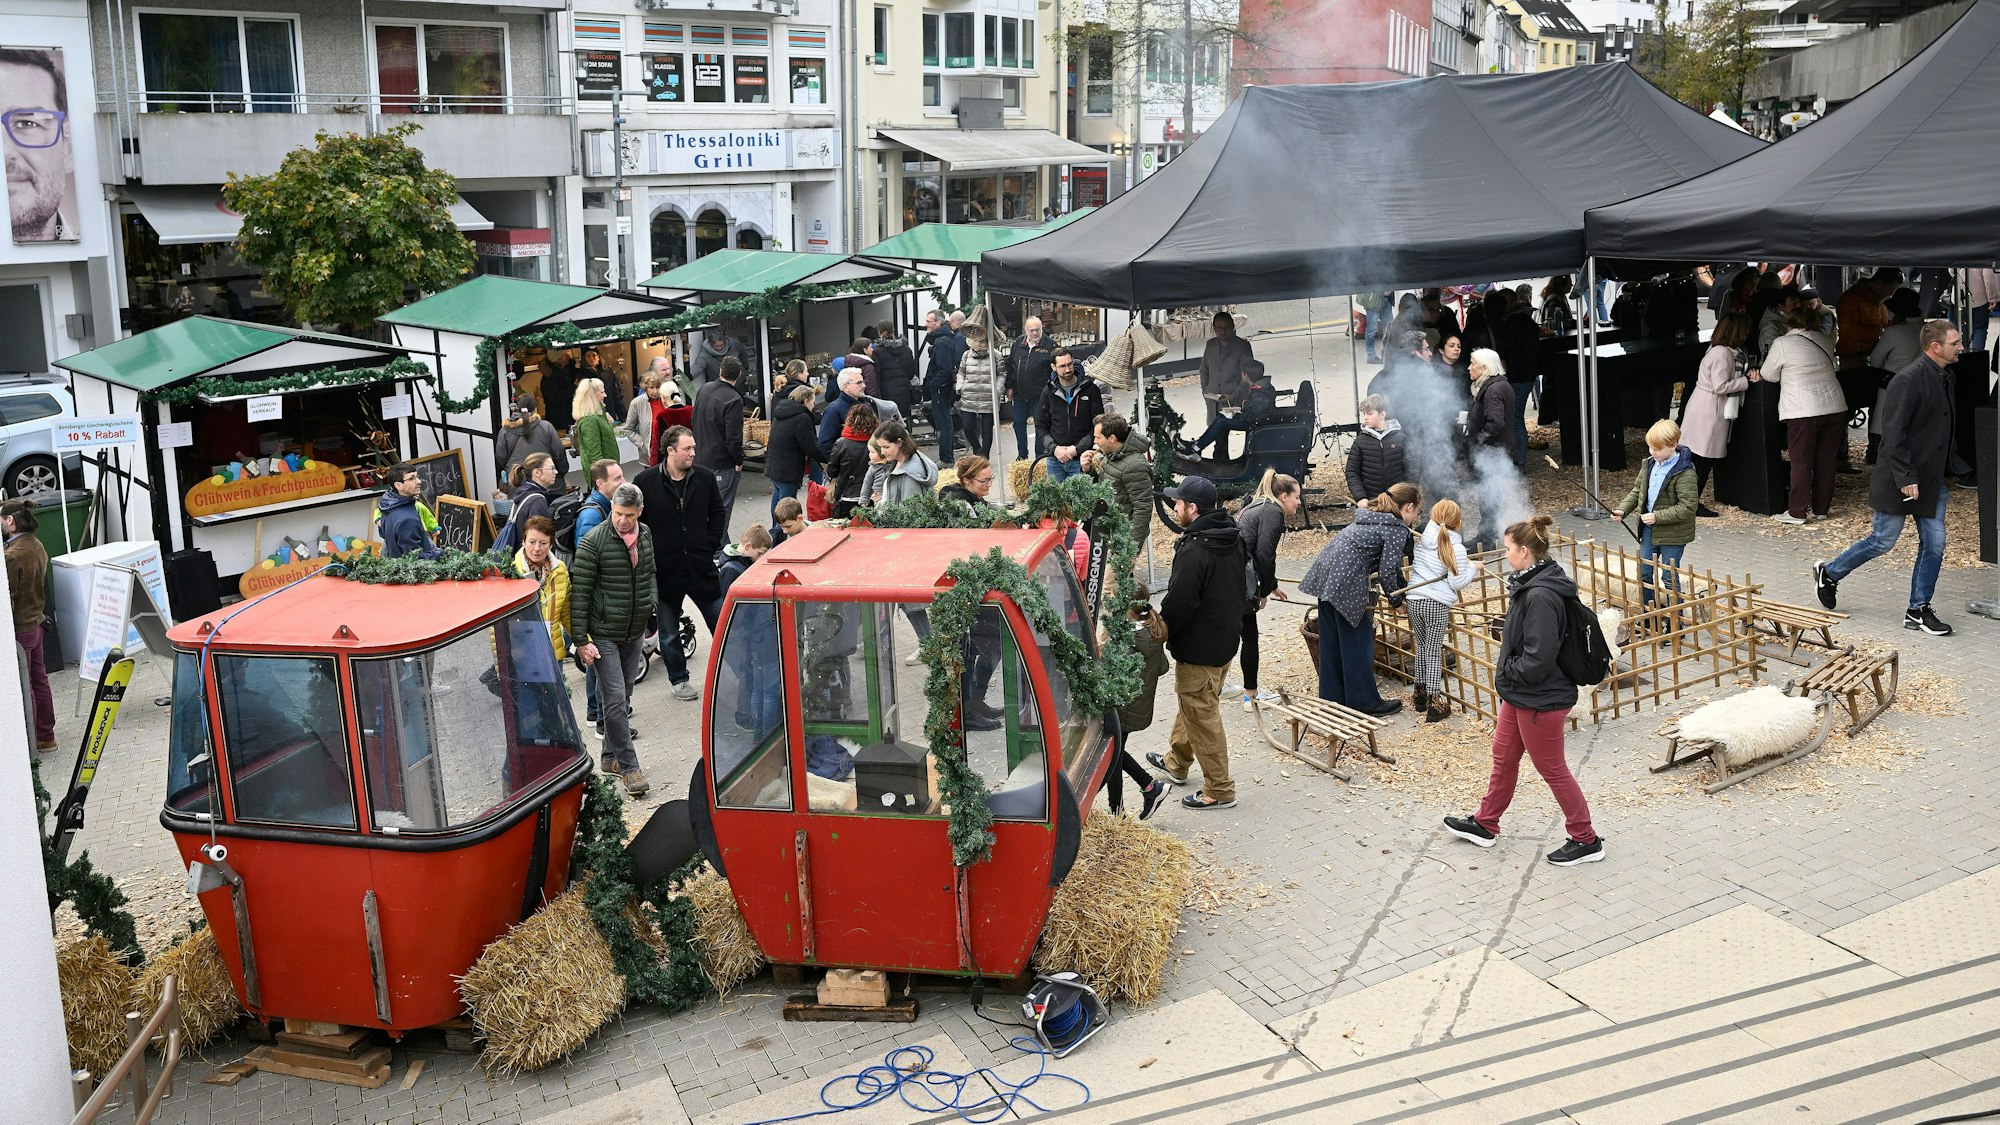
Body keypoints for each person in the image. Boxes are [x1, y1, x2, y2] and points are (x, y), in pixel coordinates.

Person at [1443, 514, 1603, 867]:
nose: (1506, 554)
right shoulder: (1532, 582)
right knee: (1503, 756)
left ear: (1526, 552)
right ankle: (1485, 823)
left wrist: (1509, 674)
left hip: (1540, 697)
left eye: (1509, 548)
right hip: (1523, 694)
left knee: (1552, 769)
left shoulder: (1542, 595)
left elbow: (1538, 657)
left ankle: (1585, 838)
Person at [1813, 321, 1970, 638]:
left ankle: (1918, 609)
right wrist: (1906, 475)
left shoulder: (1945, 376)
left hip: (1930, 479)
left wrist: (1956, 465)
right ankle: (1829, 573)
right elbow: (1893, 434)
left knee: (1935, 543)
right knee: (1883, 541)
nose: (1962, 347)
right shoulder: (1908, 380)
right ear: (1935, 347)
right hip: (1901, 478)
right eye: (1955, 342)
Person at [1148, 476, 1247, 811]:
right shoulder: (1231, 536)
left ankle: (1219, 790)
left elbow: (1179, 603)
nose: (1174, 508)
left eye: (1177, 503)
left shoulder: (1195, 549)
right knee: (1194, 706)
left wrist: (1161, 628)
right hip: (1224, 642)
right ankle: (1176, 764)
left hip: (1199, 649)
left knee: (1202, 717)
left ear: (1192, 508)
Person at [1298, 481, 1420, 717]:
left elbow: (1391, 568)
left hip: (1326, 578)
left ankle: (1333, 700)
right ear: (1409, 507)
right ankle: (1364, 702)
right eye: (1417, 511)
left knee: (1332, 643)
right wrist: (1397, 602)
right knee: (1357, 645)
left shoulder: (1371, 517)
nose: (1416, 517)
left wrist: (1402, 591)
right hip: (1347, 584)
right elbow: (1386, 571)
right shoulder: (1395, 528)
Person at [570, 482, 657, 797]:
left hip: (633, 631)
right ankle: (630, 768)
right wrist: (581, 640)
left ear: (639, 513)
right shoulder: (594, 542)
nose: (622, 520)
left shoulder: (644, 534)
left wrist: (652, 604)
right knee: (616, 700)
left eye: (629, 515)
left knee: (624, 695)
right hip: (604, 633)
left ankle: (609, 758)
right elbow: (579, 593)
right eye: (618, 514)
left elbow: (649, 574)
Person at [634, 426, 727, 701]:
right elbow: (639, 525)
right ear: (670, 450)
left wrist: (708, 543)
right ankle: (679, 680)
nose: (693, 453)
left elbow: (718, 513)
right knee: (670, 634)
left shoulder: (705, 478)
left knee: (721, 625)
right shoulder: (645, 481)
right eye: (687, 449)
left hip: (701, 567)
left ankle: (731, 672)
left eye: (694, 448)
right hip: (665, 572)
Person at [1759, 306, 1846, 525]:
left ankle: (1797, 511)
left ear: (1790, 323)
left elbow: (1768, 374)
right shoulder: (1824, 340)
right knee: (1826, 460)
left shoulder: (1782, 343)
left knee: (1801, 462)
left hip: (1803, 410)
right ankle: (1821, 509)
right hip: (1835, 406)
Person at [1612, 420, 1699, 612]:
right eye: (1650, 447)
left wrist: (1658, 516)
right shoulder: (1649, 465)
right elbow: (1637, 491)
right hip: (1650, 529)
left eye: (1657, 448)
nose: (1652, 452)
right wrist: (1623, 509)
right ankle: (1650, 610)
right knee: (1644, 571)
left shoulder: (1685, 472)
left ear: (1673, 445)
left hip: (1673, 534)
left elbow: (1688, 507)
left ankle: (1677, 617)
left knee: (1669, 576)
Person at [1407, 499, 1481, 723]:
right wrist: (1473, 569)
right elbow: (1457, 582)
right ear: (1457, 522)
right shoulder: (1455, 547)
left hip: (1415, 599)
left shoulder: (1424, 538)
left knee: (1422, 647)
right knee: (1432, 650)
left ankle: (1419, 694)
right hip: (1435, 602)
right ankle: (1434, 701)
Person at [1234, 470, 1298, 710]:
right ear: (1283, 496)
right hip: (1241, 579)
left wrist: (1272, 586)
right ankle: (1251, 695)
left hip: (1232, 574)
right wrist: (1261, 591)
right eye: (1296, 497)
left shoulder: (1258, 503)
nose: (1298, 503)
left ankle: (1222, 686)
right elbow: (1264, 555)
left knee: (1233, 632)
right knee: (1249, 636)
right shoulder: (1272, 511)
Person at [1680, 313, 1755, 516]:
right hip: (1710, 409)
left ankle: (1686, 500)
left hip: (1703, 405)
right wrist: (1747, 382)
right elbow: (1720, 386)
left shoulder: (1717, 349)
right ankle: (1691, 503)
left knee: (1696, 457)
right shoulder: (1723, 354)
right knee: (1703, 459)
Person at [1104, 587, 1170, 820]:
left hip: (1123, 708)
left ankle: (1150, 787)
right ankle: (1117, 812)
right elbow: (1163, 667)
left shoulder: (1128, 639)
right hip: (1139, 707)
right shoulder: (1151, 631)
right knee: (1116, 753)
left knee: (1114, 754)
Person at [572, 459, 624, 727]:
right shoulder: (592, 516)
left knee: (598, 657)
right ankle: (604, 720)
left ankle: (595, 712)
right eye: (617, 479)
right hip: (599, 600)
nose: (623, 482)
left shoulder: (606, 507)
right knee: (602, 658)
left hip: (603, 597)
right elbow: (589, 561)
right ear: (600, 483)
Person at [4, 499, 53, 749]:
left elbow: (8, 597)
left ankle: (30, 743)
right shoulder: (36, 544)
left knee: (26, 686)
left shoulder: (12, 556)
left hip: (21, 627)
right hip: (36, 621)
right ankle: (46, 735)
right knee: (39, 679)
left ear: (10, 521)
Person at [1177, 358, 1276, 460]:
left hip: (1256, 424)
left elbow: (1254, 415)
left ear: (1246, 375)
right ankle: (1197, 445)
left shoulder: (1260, 392)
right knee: (1221, 417)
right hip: (1254, 419)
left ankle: (1196, 449)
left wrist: (1237, 414)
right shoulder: (1260, 387)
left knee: (1222, 423)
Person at [1082, 413, 1153, 544]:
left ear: (1112, 438)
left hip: (1122, 538)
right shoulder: (1112, 455)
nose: (1095, 442)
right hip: (1108, 532)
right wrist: (1088, 470)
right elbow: (1102, 487)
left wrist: (1129, 550)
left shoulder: (1135, 466)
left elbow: (1143, 509)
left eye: (1098, 438)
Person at [1036, 348, 1103, 482]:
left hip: (1081, 459)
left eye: (1070, 364)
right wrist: (1054, 449)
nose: (1067, 369)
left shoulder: (1090, 390)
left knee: (1081, 500)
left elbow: (1098, 425)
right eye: (1062, 366)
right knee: (1056, 502)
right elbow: (1040, 426)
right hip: (1055, 460)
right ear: (1053, 367)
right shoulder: (1048, 392)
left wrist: (1077, 449)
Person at [693, 356, 746, 520]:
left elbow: (694, 420)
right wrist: (739, 460)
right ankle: (719, 545)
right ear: (738, 376)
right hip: (721, 464)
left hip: (700, 460)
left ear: (720, 371)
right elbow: (733, 438)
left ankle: (717, 543)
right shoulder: (734, 399)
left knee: (706, 509)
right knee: (720, 513)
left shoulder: (704, 389)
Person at [514, 515, 572, 666]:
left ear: (551, 544)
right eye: (532, 542)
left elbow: (567, 612)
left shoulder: (560, 570)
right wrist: (502, 661)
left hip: (552, 652)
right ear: (523, 541)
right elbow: (498, 627)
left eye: (543, 543)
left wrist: (584, 641)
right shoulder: (511, 573)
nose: (537, 548)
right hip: (522, 655)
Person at [1006, 316, 1058, 459]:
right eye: (1032, 330)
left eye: (1038, 330)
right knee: (1018, 423)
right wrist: (1009, 386)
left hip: (1040, 395)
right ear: (1026, 330)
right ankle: (1022, 455)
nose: (1035, 333)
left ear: (1042, 328)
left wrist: (1052, 391)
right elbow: (1010, 365)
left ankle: (1039, 455)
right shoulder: (1018, 343)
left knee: (1040, 425)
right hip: (1019, 393)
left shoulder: (1051, 345)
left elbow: (1056, 370)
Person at [1194, 311, 1254, 433]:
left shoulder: (1242, 346)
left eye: (1226, 328)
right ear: (1214, 328)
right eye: (1219, 328)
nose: (1223, 331)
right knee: (1216, 436)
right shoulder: (1210, 345)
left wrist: (1235, 394)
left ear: (1232, 326)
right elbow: (1204, 370)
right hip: (1213, 399)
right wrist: (1205, 390)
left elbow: (1248, 376)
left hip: (1234, 399)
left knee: (1228, 433)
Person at [494, 393, 568, 492]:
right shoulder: (546, 427)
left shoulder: (505, 431)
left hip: (517, 484)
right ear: (535, 410)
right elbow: (559, 454)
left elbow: (500, 458)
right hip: (547, 485)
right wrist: (557, 474)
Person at [767, 385, 822, 516]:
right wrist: (827, 459)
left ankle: (776, 532)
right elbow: (810, 448)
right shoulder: (802, 418)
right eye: (813, 402)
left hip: (775, 464)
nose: (814, 405)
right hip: (789, 468)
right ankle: (779, 532)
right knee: (787, 508)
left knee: (777, 501)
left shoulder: (782, 412)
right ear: (806, 400)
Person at [1345, 394, 1407, 508]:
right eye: (1364, 414)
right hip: (1371, 501)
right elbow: (1352, 471)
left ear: (1382, 414)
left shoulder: (1401, 438)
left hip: (1398, 501)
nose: (1365, 418)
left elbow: (1412, 469)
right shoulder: (1360, 441)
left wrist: (1407, 494)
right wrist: (1361, 497)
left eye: (1370, 413)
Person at [861, 420, 939, 507]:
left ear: (899, 442)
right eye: (880, 447)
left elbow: (910, 513)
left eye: (886, 447)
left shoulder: (910, 475)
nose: (882, 452)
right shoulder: (896, 461)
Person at [922, 310, 965, 465]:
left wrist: (933, 385)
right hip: (942, 388)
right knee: (945, 422)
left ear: (937, 323)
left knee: (944, 424)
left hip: (941, 389)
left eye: (928, 321)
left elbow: (945, 369)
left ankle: (946, 459)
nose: (926, 324)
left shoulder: (941, 342)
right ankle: (947, 457)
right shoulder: (943, 340)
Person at [955, 308, 1000, 457]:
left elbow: (1002, 373)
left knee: (987, 429)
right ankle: (977, 447)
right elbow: (961, 372)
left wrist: (997, 389)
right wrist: (960, 386)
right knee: (967, 426)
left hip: (988, 396)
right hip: (969, 396)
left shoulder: (995, 355)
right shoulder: (966, 355)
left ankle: (985, 455)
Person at [377, 463, 441, 560]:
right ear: (398, 485)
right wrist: (440, 554)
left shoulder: (387, 507)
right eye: (411, 479)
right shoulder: (407, 519)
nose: (419, 481)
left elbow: (384, 534)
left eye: (417, 477)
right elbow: (415, 559)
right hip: (411, 573)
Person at [827, 402, 879, 518]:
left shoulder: (841, 443)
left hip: (847, 494)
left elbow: (832, 470)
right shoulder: (878, 443)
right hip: (872, 494)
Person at [499, 453, 560, 551]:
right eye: (551, 468)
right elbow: (539, 541)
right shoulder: (537, 501)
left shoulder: (524, 493)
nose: (556, 472)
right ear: (537, 473)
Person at [871, 321, 919, 420]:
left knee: (888, 424)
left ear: (879, 332)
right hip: (904, 392)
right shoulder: (906, 349)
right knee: (903, 421)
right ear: (893, 330)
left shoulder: (877, 352)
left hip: (886, 394)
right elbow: (911, 373)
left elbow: (876, 376)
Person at [572, 378, 619, 471]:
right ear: (592, 395)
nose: (605, 395)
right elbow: (594, 454)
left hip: (608, 470)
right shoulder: (589, 421)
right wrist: (604, 475)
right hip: (603, 474)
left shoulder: (598, 415)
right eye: (602, 392)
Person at [623, 368, 668, 466]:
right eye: (651, 388)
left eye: (658, 387)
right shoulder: (637, 403)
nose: (655, 391)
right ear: (645, 388)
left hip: (668, 450)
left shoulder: (666, 399)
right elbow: (628, 429)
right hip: (650, 453)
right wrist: (642, 444)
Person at [718, 523, 772, 596]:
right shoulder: (730, 570)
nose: (762, 558)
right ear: (747, 546)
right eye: (760, 553)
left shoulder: (747, 560)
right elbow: (729, 599)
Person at [539, 354, 577, 433]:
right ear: (558, 360)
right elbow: (555, 396)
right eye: (564, 355)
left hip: (569, 415)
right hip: (558, 419)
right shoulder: (549, 377)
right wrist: (574, 388)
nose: (568, 356)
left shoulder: (568, 371)